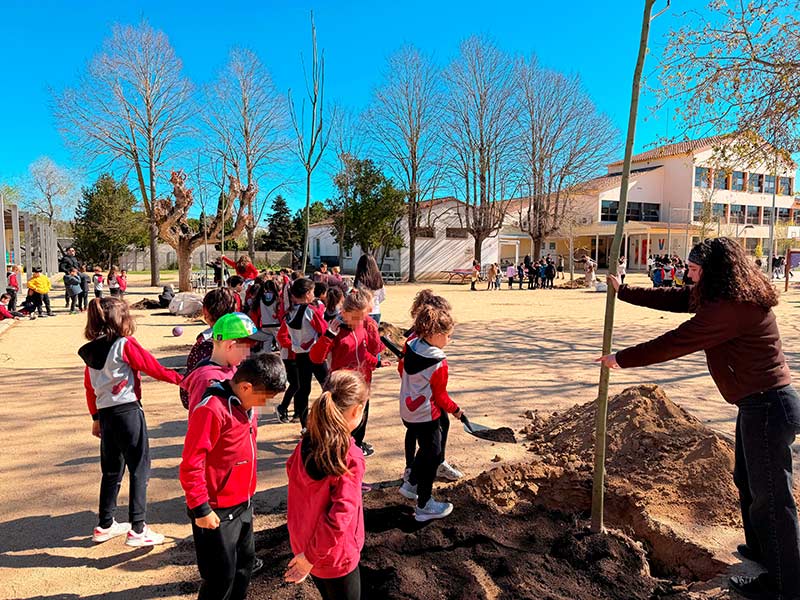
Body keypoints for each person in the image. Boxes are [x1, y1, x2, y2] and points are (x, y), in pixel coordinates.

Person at [597, 237, 800, 600]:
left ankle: (786, 584)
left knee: (772, 496)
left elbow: (678, 340)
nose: (687, 277)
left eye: (692, 271)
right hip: (757, 404)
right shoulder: (717, 295)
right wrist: (625, 291)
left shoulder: (731, 307)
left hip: (769, 407)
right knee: (748, 481)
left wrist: (622, 358)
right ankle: (761, 549)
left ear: (714, 271)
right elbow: (678, 300)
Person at [180, 353, 287, 600]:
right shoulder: (212, 410)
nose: (264, 404)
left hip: (243, 504)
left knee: (244, 567)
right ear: (246, 386)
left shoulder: (247, 405)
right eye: (265, 398)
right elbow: (191, 463)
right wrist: (201, 508)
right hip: (216, 512)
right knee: (220, 577)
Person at [79, 297, 183, 546]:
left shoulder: (91, 351)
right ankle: (138, 528)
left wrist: (95, 418)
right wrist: (182, 379)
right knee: (140, 468)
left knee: (112, 471)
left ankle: (105, 524)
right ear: (122, 319)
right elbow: (152, 367)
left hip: (106, 415)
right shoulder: (124, 344)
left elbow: (89, 388)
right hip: (128, 412)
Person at [284, 370, 368, 600]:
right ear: (357, 410)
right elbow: (340, 516)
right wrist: (310, 558)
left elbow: (292, 471)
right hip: (335, 556)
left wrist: (308, 557)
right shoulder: (350, 456)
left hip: (305, 545)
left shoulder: (306, 442)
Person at [398, 304, 466, 521]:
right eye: (448, 336)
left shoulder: (412, 345)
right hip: (426, 415)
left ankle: (411, 483)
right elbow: (440, 397)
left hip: (408, 412)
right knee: (434, 456)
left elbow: (401, 369)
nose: (449, 340)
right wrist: (456, 410)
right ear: (436, 335)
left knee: (426, 448)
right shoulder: (439, 362)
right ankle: (424, 504)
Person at [309, 288, 383, 457]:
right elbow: (316, 358)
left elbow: (369, 350)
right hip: (342, 386)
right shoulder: (335, 329)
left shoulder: (365, 324)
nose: (360, 321)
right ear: (344, 312)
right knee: (340, 423)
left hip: (362, 382)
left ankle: (356, 447)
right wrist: (328, 335)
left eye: (363, 317)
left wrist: (376, 360)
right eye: (356, 317)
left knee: (361, 418)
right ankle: (339, 453)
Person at [401, 290, 462, 483]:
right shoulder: (414, 341)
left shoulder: (424, 343)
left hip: (426, 396)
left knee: (442, 424)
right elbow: (402, 368)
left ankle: (439, 462)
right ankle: (412, 470)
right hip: (421, 399)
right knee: (421, 437)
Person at [181, 312, 271, 413]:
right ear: (230, 346)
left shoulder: (233, 369)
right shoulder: (206, 379)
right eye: (247, 348)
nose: (248, 353)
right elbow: (200, 421)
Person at [276, 278, 328, 429]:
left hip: (300, 355)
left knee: (303, 389)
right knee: (328, 387)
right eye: (312, 292)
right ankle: (328, 418)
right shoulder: (310, 311)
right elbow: (323, 329)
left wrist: (293, 345)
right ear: (307, 294)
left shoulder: (289, 313)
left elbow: (282, 336)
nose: (313, 295)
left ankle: (304, 425)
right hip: (315, 353)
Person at [180, 288, 239, 409]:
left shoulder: (204, 344)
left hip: (212, 410)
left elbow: (188, 388)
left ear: (205, 313)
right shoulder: (241, 339)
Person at [354, 255, 386, 366]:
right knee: (374, 336)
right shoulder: (379, 280)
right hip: (376, 311)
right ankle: (376, 358)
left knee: (363, 337)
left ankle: (365, 358)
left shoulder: (360, 281)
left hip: (364, 312)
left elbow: (358, 297)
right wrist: (375, 303)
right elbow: (383, 296)